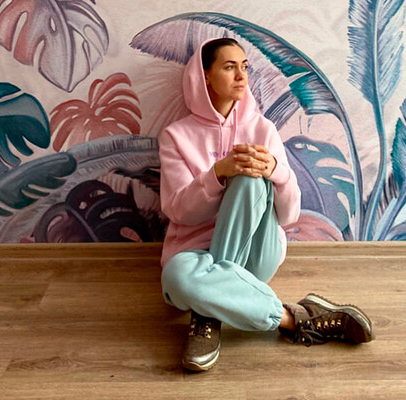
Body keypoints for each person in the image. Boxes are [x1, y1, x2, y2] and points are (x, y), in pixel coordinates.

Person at [159, 37, 373, 372]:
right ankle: (297, 318)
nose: (241, 76)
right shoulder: (176, 136)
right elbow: (178, 210)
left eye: (244, 67)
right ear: (205, 76)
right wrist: (217, 173)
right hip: (194, 252)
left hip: (257, 252)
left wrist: (275, 172)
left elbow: (288, 216)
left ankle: (206, 314)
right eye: (229, 67)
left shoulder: (263, 129)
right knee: (175, 278)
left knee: (251, 178)